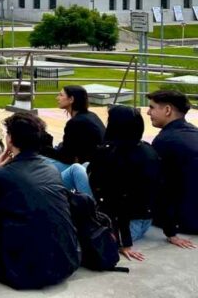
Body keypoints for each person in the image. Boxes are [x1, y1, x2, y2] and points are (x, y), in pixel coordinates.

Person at [0, 113, 80, 290]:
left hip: (22, 270)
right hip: (65, 262)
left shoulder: (3, 174)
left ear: (10, 140)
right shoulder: (51, 169)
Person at [87, 105, 161, 262]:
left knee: (78, 170)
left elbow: (115, 201)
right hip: (145, 222)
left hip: (124, 227)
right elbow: (161, 189)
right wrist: (171, 231)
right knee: (84, 168)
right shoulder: (147, 150)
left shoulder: (111, 155)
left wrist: (123, 243)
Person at [147, 89, 198, 249]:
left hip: (185, 221)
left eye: (152, 107)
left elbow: (162, 188)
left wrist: (171, 232)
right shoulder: (193, 133)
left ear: (167, 110)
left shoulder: (165, 141)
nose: (148, 112)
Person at [51, 85, 106, 165]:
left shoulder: (75, 122)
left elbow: (66, 157)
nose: (57, 98)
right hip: (99, 162)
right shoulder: (92, 115)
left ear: (71, 99)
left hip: (88, 167)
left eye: (61, 95)